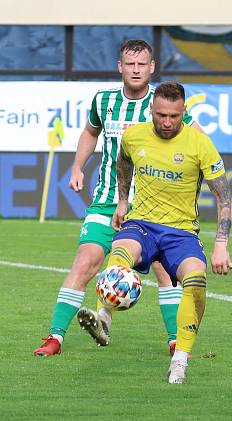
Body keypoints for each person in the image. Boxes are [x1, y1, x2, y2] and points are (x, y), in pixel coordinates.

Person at [33, 40, 200, 357]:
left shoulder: (162, 105)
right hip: (108, 200)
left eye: (142, 65)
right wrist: (77, 166)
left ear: (151, 67)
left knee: (166, 273)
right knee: (84, 263)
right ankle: (55, 338)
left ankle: (175, 341)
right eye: (130, 64)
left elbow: (197, 139)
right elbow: (90, 132)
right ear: (120, 67)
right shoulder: (105, 100)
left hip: (153, 208)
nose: (136, 70)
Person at [93, 81, 232, 384]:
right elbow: (123, 163)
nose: (167, 122)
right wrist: (121, 202)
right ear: (152, 111)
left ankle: (180, 360)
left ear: (184, 111)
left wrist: (221, 244)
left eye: (174, 116)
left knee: (196, 280)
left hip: (181, 232)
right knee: (120, 253)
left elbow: (224, 198)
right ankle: (103, 317)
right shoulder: (133, 136)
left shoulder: (200, 144)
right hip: (141, 223)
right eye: (161, 115)